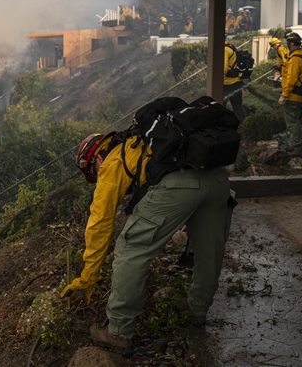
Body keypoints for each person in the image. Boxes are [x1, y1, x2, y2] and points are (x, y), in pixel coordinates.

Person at [61, 127, 234, 356]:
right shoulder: (142, 140)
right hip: (218, 180)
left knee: (129, 249)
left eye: (93, 171)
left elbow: (100, 223)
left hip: (179, 185)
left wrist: (89, 274)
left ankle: (119, 332)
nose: (96, 176)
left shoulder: (111, 163)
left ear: (97, 158)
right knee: (209, 246)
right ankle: (198, 308)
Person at [280, 32, 302, 158]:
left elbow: (291, 79)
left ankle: (299, 147)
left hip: (293, 96)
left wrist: (284, 95)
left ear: (291, 44)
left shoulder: (295, 59)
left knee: (292, 122)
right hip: (299, 96)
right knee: (295, 121)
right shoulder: (301, 56)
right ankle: (296, 145)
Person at [223, 44, 247, 121]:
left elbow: (224, 69)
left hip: (227, 83)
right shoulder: (231, 48)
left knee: (220, 106)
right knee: (237, 106)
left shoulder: (224, 50)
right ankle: (244, 124)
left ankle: (221, 125)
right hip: (237, 82)